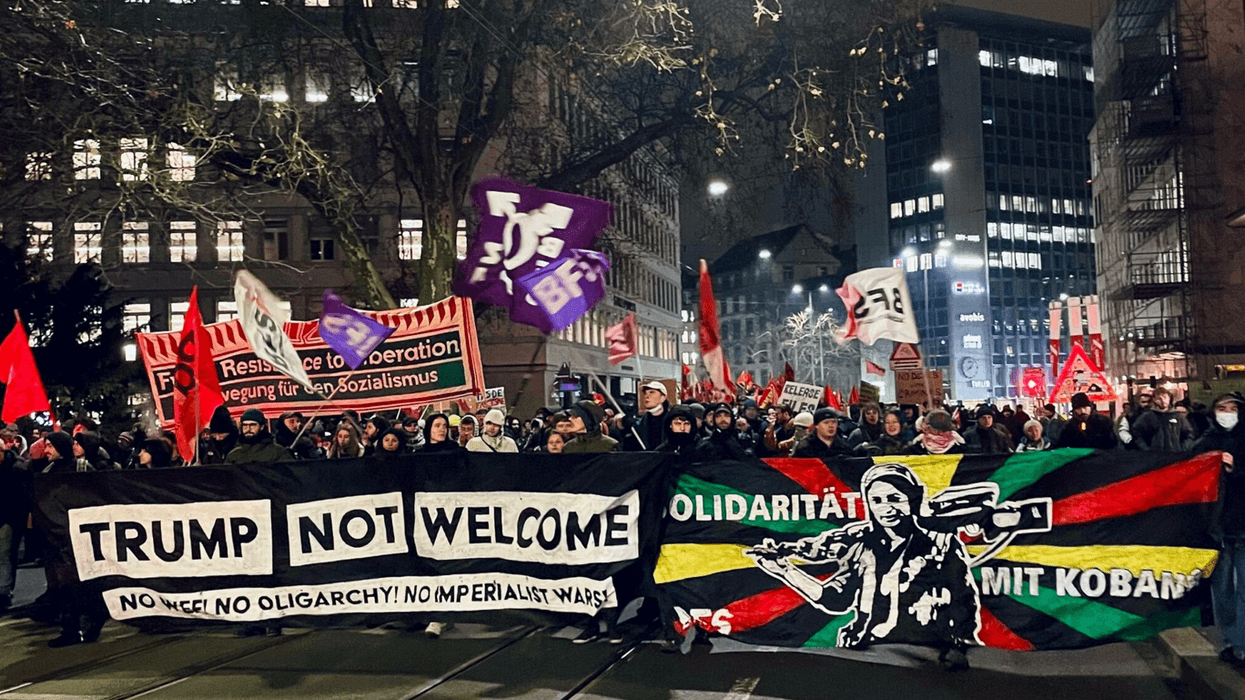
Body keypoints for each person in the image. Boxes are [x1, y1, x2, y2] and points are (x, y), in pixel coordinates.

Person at [744, 463, 981, 670]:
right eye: (876, 501)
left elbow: (964, 599)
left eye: (894, 498)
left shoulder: (942, 544)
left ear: (912, 499)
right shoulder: (861, 543)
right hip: (868, 652)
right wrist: (785, 569)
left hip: (927, 653)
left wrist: (958, 645)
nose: (886, 508)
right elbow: (833, 598)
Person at [1192, 394, 1245, 669]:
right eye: (1222, 408)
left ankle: (1242, 645)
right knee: (1222, 588)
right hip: (1217, 528)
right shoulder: (1204, 443)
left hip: (1243, 525)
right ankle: (1231, 640)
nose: (1228, 413)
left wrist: (1235, 469)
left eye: (1233, 408)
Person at [0, 428, 30, 612]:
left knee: (4, 555)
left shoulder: (17, 468)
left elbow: (23, 496)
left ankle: (3, 593)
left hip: (9, 517)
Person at [1130, 387, 1194, 451]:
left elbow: (1188, 434)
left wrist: (1183, 448)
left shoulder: (1177, 416)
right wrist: (1146, 449)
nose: (1163, 401)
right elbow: (1136, 433)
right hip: (1155, 456)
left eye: (1165, 397)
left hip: (1175, 455)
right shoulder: (1147, 416)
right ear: (1154, 400)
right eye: (1159, 398)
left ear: (1169, 398)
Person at [225, 409, 292, 464]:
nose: (248, 429)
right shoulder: (233, 455)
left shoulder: (278, 452)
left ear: (262, 427)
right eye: (245, 425)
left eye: (252, 425)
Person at [625, 381, 670, 451]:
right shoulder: (640, 424)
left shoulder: (671, 420)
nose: (646, 396)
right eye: (645, 393)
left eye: (652, 392)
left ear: (663, 397)